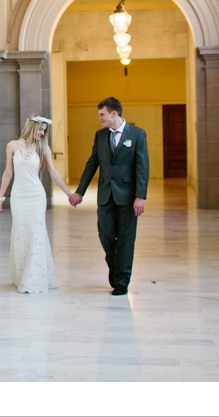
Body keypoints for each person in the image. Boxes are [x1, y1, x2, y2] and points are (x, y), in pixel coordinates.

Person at [69, 97, 149, 296]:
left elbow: (142, 167)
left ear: (114, 113)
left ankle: (121, 281)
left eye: (102, 114)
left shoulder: (138, 134)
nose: (99, 118)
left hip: (128, 197)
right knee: (105, 234)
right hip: (105, 195)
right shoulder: (100, 136)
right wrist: (80, 191)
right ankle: (117, 268)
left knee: (126, 239)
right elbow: (92, 163)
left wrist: (140, 196)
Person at [0, 114, 75, 294]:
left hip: (36, 196)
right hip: (18, 197)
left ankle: (34, 278)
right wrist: (0, 197)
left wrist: (70, 194)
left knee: (36, 233)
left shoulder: (43, 148)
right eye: (40, 129)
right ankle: (21, 275)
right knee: (21, 234)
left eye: (44, 131)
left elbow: (53, 173)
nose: (42, 133)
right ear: (31, 127)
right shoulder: (12, 146)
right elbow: (8, 173)